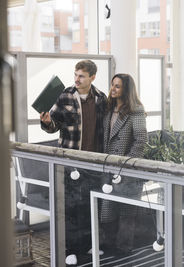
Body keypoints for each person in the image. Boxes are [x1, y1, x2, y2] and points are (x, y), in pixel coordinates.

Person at [40, 59, 107, 265]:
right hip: (71, 162)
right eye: (75, 75)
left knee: (92, 205)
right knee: (71, 208)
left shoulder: (101, 98)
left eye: (81, 76)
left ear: (92, 77)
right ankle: (70, 248)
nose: (76, 79)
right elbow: (53, 125)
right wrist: (47, 122)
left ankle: (89, 243)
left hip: (94, 162)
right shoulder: (65, 95)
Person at [100, 73, 148, 253]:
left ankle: (123, 249)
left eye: (117, 86)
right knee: (107, 207)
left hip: (126, 168)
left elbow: (141, 139)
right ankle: (108, 245)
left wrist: (127, 163)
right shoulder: (108, 108)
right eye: (112, 85)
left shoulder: (135, 110)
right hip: (108, 165)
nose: (112, 89)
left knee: (127, 210)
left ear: (126, 90)